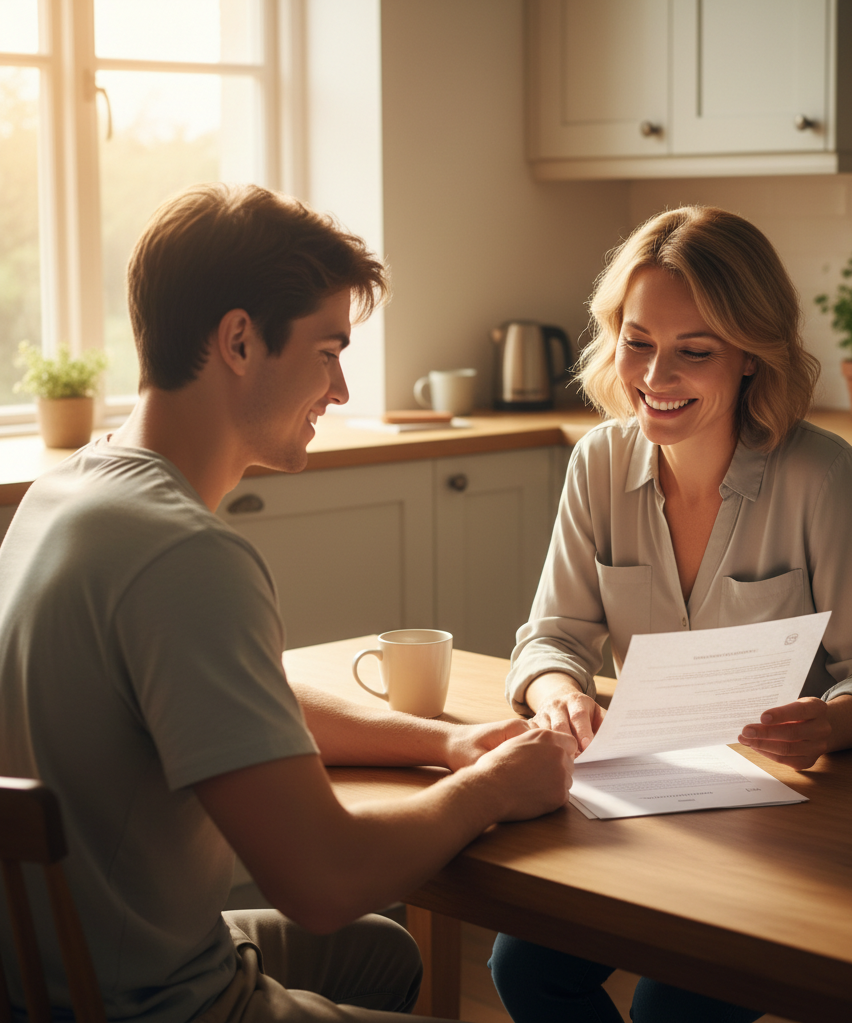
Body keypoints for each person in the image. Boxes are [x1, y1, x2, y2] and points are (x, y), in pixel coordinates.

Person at [0, 183, 575, 1023]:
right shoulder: (185, 556)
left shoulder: (63, 495)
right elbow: (324, 882)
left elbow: (238, 702)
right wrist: (491, 790)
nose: (339, 389)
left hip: (50, 974)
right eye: (328, 350)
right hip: (154, 1004)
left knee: (385, 953)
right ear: (239, 340)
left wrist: (447, 744)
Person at [488, 206, 852, 1023]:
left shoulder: (824, 477)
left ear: (752, 357)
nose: (655, 376)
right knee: (524, 968)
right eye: (638, 341)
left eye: (695, 351)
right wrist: (560, 694)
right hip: (647, 802)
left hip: (793, 812)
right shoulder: (596, 463)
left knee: (672, 1008)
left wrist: (830, 723)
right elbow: (551, 639)